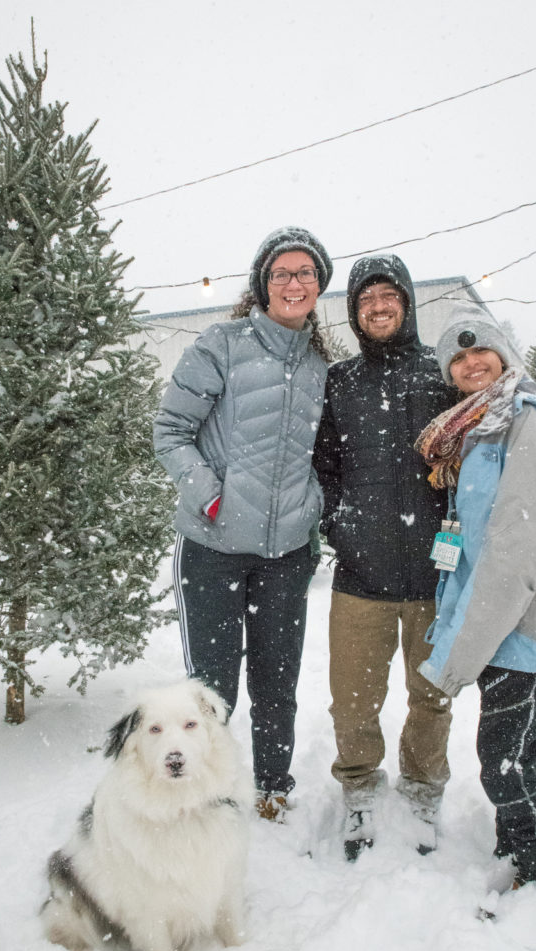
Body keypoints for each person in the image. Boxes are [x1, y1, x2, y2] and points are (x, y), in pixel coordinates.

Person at [153, 226, 333, 822]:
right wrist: (211, 499)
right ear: (262, 283)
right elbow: (170, 431)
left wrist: (311, 515)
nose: (293, 282)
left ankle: (273, 786)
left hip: (286, 554)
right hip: (214, 546)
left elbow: (324, 453)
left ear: (318, 286)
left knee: (276, 680)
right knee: (211, 688)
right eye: (281, 272)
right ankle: (209, 793)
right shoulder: (222, 344)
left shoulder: (318, 363)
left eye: (305, 272)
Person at [416, 317, 536, 887]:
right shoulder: (483, 428)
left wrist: (464, 648)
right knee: (519, 750)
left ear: (505, 354)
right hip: (503, 626)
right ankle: (517, 848)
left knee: (504, 760)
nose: (469, 364)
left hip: (524, 625)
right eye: (456, 361)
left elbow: (518, 549)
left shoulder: (529, 424)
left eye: (480, 351)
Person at [313, 254, 455, 861]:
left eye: (387, 294)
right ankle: (360, 787)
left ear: (407, 303)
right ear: (354, 311)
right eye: (365, 298)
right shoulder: (339, 382)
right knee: (353, 696)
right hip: (360, 574)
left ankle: (423, 788)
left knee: (431, 694)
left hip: (433, 574)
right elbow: (323, 468)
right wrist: (339, 526)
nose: (378, 305)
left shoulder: (442, 376)